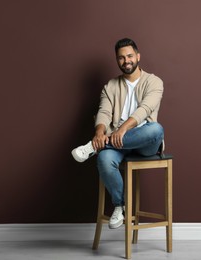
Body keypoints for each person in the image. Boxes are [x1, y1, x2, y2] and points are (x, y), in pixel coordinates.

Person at [71, 38, 165, 229]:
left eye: (129, 56)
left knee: (157, 129)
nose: (126, 61)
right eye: (121, 58)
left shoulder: (154, 81)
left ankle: (92, 148)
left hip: (144, 140)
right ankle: (119, 206)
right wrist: (99, 132)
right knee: (104, 159)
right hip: (117, 143)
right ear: (117, 60)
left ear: (138, 56)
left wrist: (122, 130)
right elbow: (104, 112)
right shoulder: (111, 86)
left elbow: (145, 109)